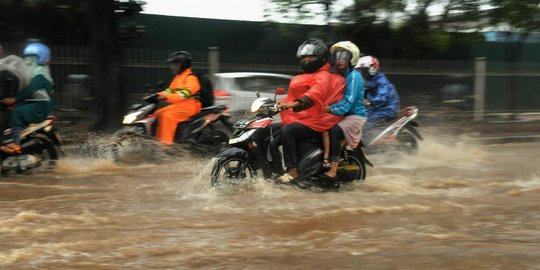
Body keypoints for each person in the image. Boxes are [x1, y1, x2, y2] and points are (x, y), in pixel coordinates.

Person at [275, 38, 345, 183]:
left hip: (317, 121)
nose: (306, 59)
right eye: (304, 56)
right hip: (303, 117)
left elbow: (314, 94)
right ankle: (273, 170)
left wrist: (295, 104)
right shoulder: (306, 76)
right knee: (270, 132)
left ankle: (292, 170)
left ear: (322, 58)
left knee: (288, 130)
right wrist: (275, 104)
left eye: (311, 56)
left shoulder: (324, 76)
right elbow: (291, 96)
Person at [321, 41, 368, 180]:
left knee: (334, 132)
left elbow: (347, 103)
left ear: (351, 59)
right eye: (337, 56)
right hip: (343, 114)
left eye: (344, 56)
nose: (339, 60)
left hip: (355, 116)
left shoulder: (353, 77)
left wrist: (329, 109)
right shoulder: (339, 75)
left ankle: (333, 170)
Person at [1, 42, 54, 154]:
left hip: (40, 106)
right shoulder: (34, 72)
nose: (27, 60)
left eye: (31, 57)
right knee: (9, 110)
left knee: (16, 112)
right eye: (27, 57)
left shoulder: (40, 73)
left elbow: (30, 90)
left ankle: (16, 143)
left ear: (40, 58)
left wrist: (14, 99)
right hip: (34, 102)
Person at [154, 51, 202, 145]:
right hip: (180, 106)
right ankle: (157, 143)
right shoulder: (177, 78)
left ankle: (166, 147)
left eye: (175, 64)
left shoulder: (191, 78)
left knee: (167, 116)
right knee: (157, 113)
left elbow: (181, 96)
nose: (172, 67)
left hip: (190, 106)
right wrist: (155, 95)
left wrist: (164, 96)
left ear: (183, 65)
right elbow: (169, 91)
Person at [355, 56, 400, 142]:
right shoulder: (367, 80)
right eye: (359, 70)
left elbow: (382, 97)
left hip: (387, 108)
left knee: (365, 122)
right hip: (376, 108)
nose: (361, 73)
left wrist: (369, 101)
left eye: (363, 70)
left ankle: (365, 144)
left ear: (373, 68)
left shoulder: (381, 80)